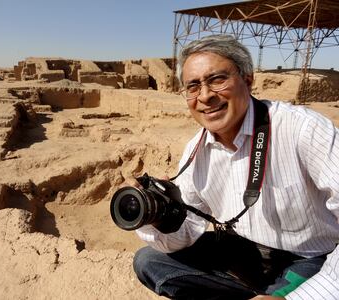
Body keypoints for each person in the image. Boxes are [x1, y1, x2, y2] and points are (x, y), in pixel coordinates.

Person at [132, 35, 339, 300]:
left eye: (217, 79)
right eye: (193, 86)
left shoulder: (303, 130)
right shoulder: (196, 150)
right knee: (150, 261)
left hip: (306, 257)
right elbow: (185, 235)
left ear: (248, 80)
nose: (205, 96)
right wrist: (158, 218)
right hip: (245, 252)